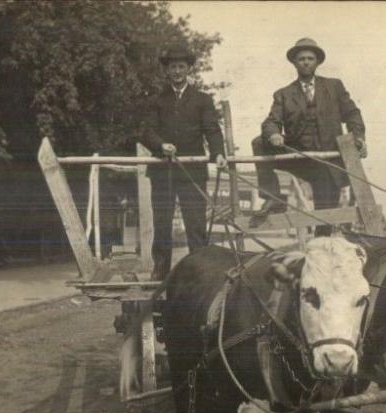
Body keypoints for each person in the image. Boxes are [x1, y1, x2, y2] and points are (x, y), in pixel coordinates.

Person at [250, 37, 367, 235]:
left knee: (324, 218)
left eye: (310, 58)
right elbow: (271, 121)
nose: (305, 62)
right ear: (294, 63)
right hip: (299, 157)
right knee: (259, 142)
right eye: (301, 58)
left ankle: (322, 254)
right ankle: (273, 197)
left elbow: (353, 114)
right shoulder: (284, 94)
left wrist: (358, 138)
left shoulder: (334, 86)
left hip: (328, 162)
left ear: (317, 62)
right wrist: (274, 134)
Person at [141, 45, 227, 280]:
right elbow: (147, 132)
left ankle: (201, 272)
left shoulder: (202, 100)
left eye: (181, 67)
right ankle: (160, 271)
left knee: (196, 224)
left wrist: (218, 153)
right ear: (166, 70)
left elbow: (212, 130)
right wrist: (161, 145)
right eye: (172, 67)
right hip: (162, 172)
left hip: (193, 172)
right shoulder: (156, 100)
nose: (177, 71)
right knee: (162, 225)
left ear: (189, 69)